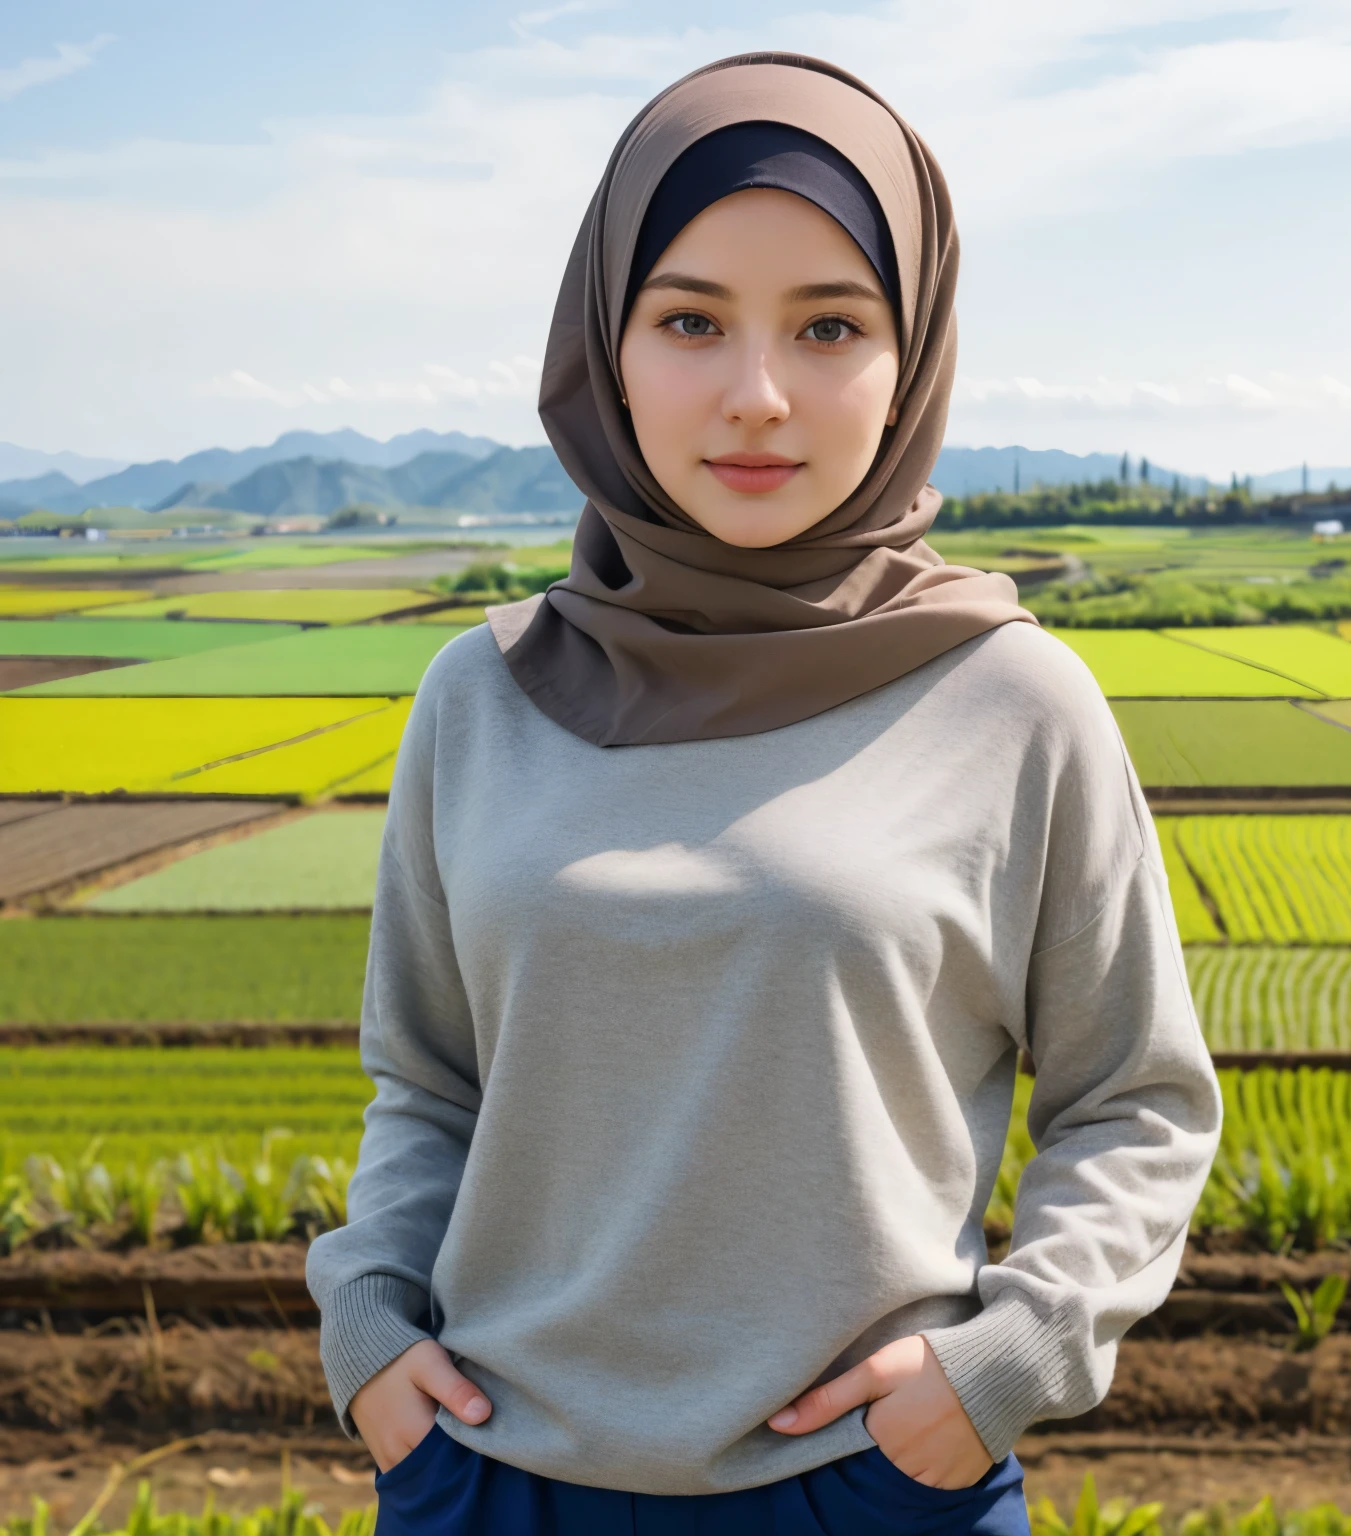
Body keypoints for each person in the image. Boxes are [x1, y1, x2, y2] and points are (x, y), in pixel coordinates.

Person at [306, 51, 1221, 1536]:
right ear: (605, 342)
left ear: (910, 353)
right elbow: (428, 1083)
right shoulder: (482, 697)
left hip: (865, 1486)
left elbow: (1138, 1101)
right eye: (689, 320)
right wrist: (372, 1343)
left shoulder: (1010, 698)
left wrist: (1005, 1364)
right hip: (486, 1475)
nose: (756, 396)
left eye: (831, 325)